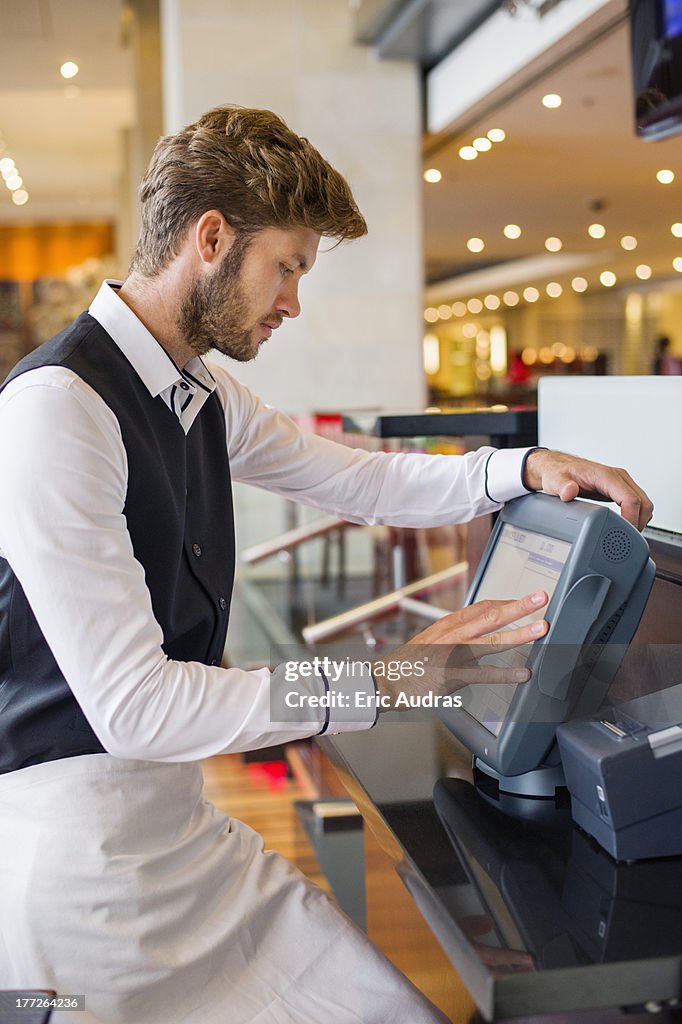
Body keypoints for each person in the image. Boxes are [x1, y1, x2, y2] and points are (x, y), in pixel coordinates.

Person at [0, 106, 653, 1024]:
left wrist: (522, 467)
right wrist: (385, 680)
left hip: (177, 831)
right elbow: (137, 707)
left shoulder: (198, 387)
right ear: (212, 238)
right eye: (289, 267)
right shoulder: (56, 412)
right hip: (78, 874)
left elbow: (358, 481)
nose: (294, 301)